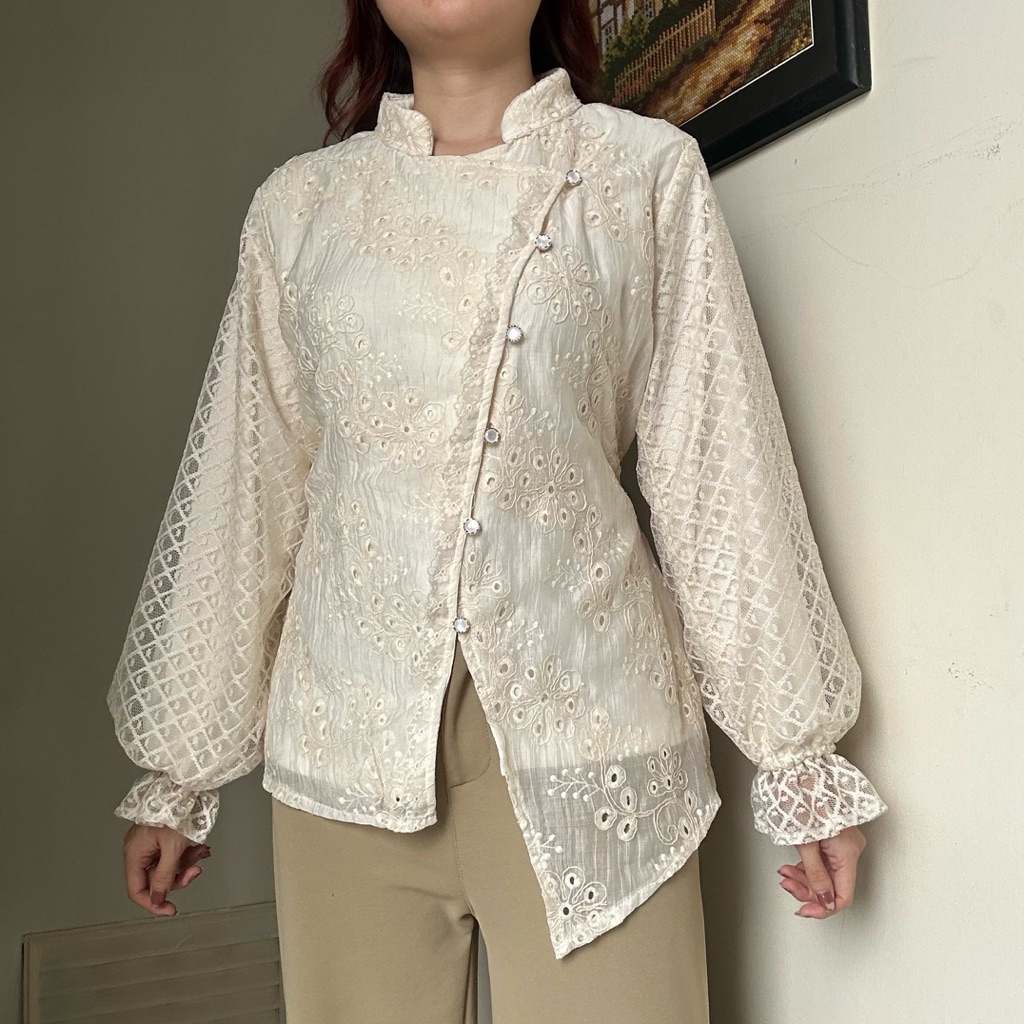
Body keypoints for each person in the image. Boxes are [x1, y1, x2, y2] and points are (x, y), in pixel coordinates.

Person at [106, 0, 888, 1019]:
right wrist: (179, 772)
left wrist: (799, 759)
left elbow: (715, 464)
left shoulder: (643, 172)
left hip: (598, 740)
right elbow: (246, 484)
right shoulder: (299, 206)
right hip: (344, 744)